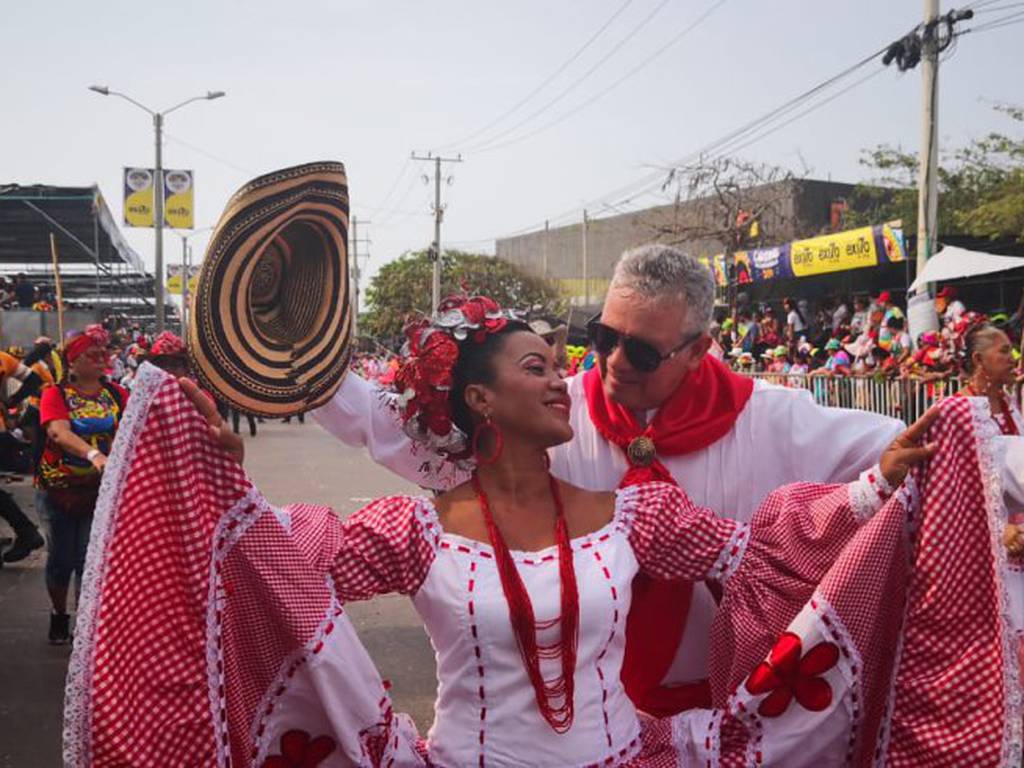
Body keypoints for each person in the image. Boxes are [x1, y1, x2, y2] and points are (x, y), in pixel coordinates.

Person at [70, 299, 1024, 766]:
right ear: (479, 397)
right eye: (540, 365)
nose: (566, 374)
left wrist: (873, 493)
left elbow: (774, 552)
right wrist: (207, 469)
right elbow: (263, 559)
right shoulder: (415, 530)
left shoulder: (638, 513)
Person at [315, 245, 903, 716]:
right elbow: (395, 427)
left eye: (643, 353)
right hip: (584, 718)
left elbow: (909, 453)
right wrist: (293, 367)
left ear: (699, 349)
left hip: (726, 709)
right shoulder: (548, 420)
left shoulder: (775, 419)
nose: (615, 362)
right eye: (603, 338)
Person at [36, 325, 127, 644]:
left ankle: (87, 622)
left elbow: (135, 426)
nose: (101, 360)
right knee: (61, 559)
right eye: (93, 355)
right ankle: (59, 614)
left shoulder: (116, 394)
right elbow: (58, 432)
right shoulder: (55, 394)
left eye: (104, 355)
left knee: (90, 558)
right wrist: (93, 454)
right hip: (59, 489)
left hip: (101, 491)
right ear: (73, 361)